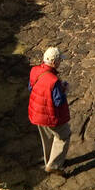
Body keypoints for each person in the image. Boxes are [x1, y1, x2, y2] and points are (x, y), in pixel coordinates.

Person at [28, 47, 72, 177]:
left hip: (36, 113)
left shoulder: (34, 71)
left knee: (47, 138)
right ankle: (54, 165)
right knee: (64, 136)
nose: (60, 63)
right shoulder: (53, 81)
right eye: (59, 61)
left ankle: (49, 161)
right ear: (53, 62)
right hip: (50, 116)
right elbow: (58, 101)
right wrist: (64, 90)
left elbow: (31, 88)